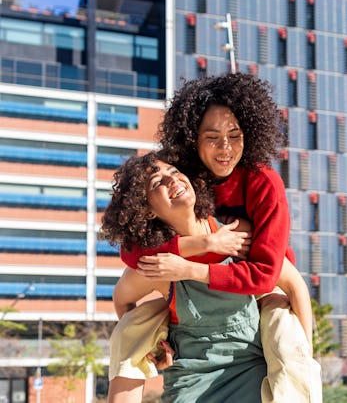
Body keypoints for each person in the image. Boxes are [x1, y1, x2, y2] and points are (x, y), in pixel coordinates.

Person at [126, 73, 322, 402]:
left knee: (290, 352)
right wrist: (204, 245)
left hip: (264, 292)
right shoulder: (180, 177)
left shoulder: (264, 183)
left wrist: (192, 268)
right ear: (193, 138)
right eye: (212, 136)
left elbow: (267, 276)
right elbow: (131, 251)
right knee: (125, 331)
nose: (225, 148)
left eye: (235, 134)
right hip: (191, 290)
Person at [102, 152, 270, 402]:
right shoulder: (159, 266)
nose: (171, 180)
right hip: (191, 383)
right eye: (157, 183)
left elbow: (289, 283)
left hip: (251, 369)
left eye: (173, 171)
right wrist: (155, 344)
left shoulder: (235, 234)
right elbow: (122, 300)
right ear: (146, 211)